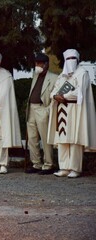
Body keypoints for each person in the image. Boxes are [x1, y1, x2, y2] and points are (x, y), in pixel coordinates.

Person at [48, 49, 96, 178]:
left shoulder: (82, 74)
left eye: (72, 59)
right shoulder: (62, 76)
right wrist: (54, 96)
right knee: (63, 139)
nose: (70, 62)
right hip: (62, 110)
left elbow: (80, 91)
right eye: (68, 59)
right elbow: (53, 91)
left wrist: (64, 95)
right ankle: (64, 167)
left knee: (75, 139)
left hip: (75, 110)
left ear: (77, 59)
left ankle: (75, 168)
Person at [25, 53, 58, 175]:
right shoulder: (35, 75)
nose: (37, 65)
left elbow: (55, 97)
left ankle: (49, 164)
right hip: (32, 109)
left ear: (46, 65)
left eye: (40, 63)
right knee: (32, 138)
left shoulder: (54, 78)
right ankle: (36, 163)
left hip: (42, 108)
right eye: (36, 63)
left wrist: (47, 110)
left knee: (45, 138)